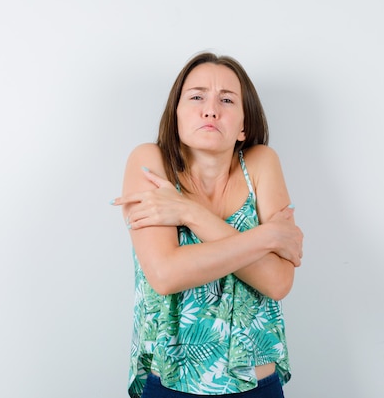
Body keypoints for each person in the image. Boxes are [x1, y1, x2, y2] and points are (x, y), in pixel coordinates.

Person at [112, 52, 304, 398]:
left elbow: (277, 282)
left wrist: (188, 212)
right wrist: (267, 237)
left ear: (244, 124)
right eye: (197, 96)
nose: (211, 109)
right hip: (170, 384)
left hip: (257, 383)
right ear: (177, 115)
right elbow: (166, 274)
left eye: (227, 100)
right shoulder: (149, 162)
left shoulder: (261, 163)